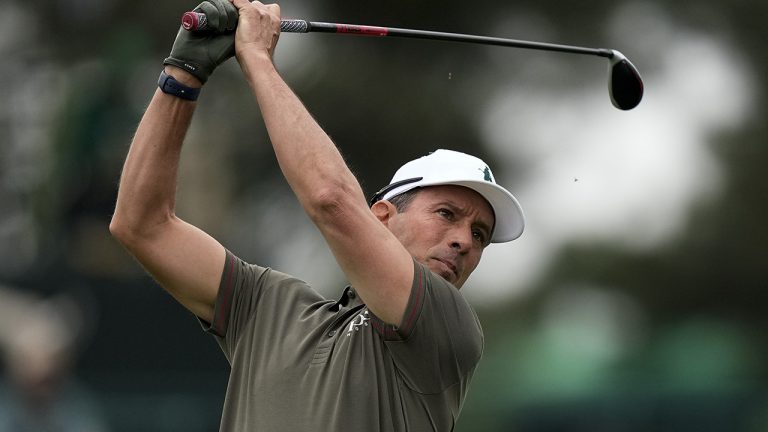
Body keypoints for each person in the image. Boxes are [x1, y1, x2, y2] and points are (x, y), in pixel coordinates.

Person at [109, 0, 525, 430]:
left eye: (480, 234)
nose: (464, 241)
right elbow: (142, 226)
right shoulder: (268, 306)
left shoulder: (448, 328)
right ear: (382, 217)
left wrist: (257, 60)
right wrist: (182, 74)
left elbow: (331, 199)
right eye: (446, 213)